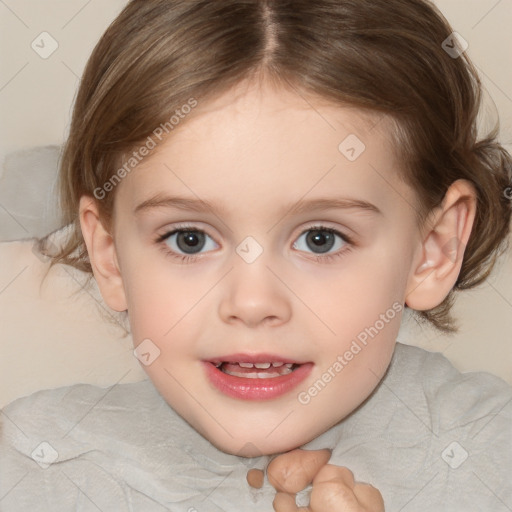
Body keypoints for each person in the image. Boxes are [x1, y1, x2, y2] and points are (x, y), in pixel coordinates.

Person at [1, 0, 511, 510]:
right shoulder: (27, 469)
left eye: (320, 239)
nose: (251, 302)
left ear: (433, 249)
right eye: (189, 239)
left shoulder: (493, 461)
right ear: (109, 255)